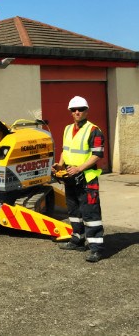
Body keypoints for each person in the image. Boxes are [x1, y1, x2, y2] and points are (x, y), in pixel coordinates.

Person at [52, 96, 105, 263]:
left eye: (80, 109)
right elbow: (65, 151)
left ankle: (96, 248)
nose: (77, 112)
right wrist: (60, 165)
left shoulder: (94, 130)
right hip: (70, 178)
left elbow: (97, 155)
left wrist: (79, 168)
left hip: (87, 179)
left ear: (86, 111)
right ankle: (77, 240)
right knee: (74, 211)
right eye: (73, 110)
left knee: (90, 213)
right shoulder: (67, 129)